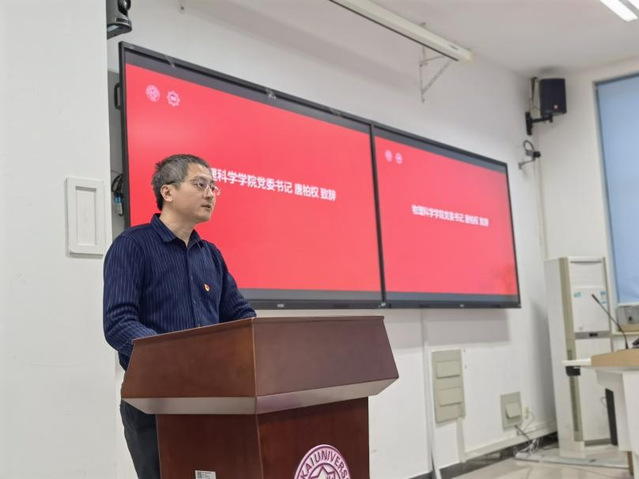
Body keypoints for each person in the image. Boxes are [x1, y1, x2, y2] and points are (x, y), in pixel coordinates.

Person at [103, 153, 256, 479]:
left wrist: (263, 339)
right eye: (200, 184)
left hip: (215, 397)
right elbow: (119, 323)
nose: (210, 194)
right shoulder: (132, 245)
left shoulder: (210, 254)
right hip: (154, 400)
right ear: (168, 191)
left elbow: (239, 315)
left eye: (214, 187)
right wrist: (180, 356)